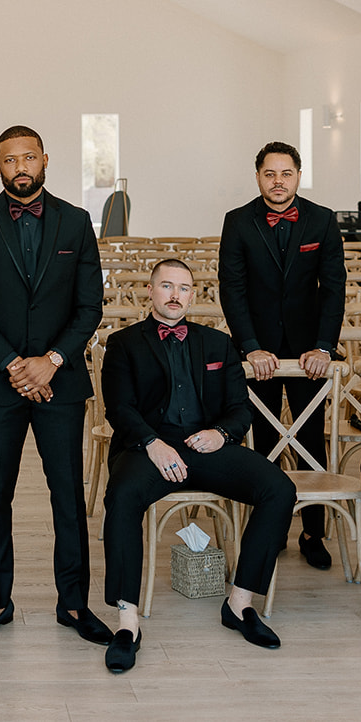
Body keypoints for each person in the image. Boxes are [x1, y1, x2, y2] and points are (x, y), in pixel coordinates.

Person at [0, 125, 110, 646]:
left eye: (28, 158)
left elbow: (89, 306)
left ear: (45, 160)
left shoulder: (77, 222)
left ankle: (74, 604)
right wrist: (17, 365)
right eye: (9, 160)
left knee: (67, 495)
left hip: (61, 384)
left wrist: (53, 361)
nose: (20, 167)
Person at [98, 259, 298, 672]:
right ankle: (127, 621)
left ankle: (240, 603)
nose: (175, 295)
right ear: (149, 292)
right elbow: (119, 408)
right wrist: (152, 443)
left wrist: (221, 435)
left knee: (278, 489)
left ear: (193, 294)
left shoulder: (218, 343)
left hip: (205, 444)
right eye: (166, 286)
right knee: (122, 495)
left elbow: (239, 409)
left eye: (184, 288)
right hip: (148, 449)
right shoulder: (123, 343)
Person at [218, 141, 345, 571]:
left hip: (310, 350)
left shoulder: (323, 220)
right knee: (261, 442)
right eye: (269, 174)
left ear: (298, 175)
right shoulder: (237, 222)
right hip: (258, 351)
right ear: (258, 177)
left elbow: (334, 289)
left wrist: (325, 346)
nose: (277, 181)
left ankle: (313, 533)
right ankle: (268, 531)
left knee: (310, 441)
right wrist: (251, 347)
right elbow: (231, 290)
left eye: (285, 173)